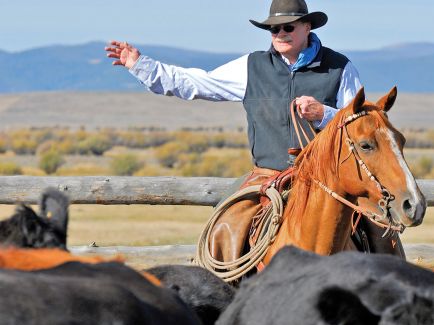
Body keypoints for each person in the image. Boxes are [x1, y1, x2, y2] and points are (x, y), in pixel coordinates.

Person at [106, 0, 403, 257]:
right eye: (275, 29)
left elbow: (359, 125)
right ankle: (223, 289)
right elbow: (195, 83)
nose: (281, 33)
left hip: (325, 178)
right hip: (268, 175)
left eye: (289, 27)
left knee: (380, 231)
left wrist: (323, 114)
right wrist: (139, 65)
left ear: (307, 27)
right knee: (227, 222)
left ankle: (392, 297)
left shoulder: (339, 67)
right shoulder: (251, 66)